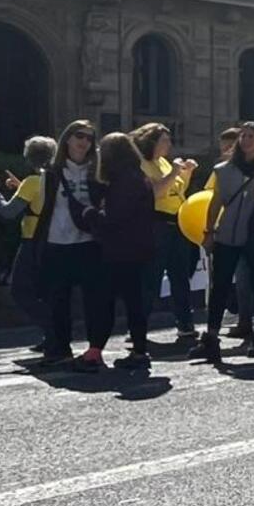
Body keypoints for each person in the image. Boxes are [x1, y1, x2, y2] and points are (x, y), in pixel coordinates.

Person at [71, 131, 159, 370]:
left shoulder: (124, 181)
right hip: (137, 249)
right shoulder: (137, 176)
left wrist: (89, 213)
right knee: (133, 302)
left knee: (106, 301)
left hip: (120, 251)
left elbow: (115, 218)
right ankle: (138, 352)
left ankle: (96, 351)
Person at [197, 124, 254, 363]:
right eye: (242, 136)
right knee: (220, 285)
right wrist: (209, 230)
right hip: (227, 236)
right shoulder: (224, 169)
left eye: (251, 136)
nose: (244, 140)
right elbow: (216, 202)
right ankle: (211, 335)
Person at [29, 121, 103, 368]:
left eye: (89, 138)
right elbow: (45, 208)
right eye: (79, 136)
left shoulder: (97, 171)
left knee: (93, 300)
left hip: (88, 244)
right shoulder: (52, 172)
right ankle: (59, 349)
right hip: (57, 242)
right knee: (58, 300)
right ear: (67, 139)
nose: (84, 142)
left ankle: (94, 349)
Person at [132, 123, 199, 342]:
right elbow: (157, 192)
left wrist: (186, 174)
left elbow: (176, 191)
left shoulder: (162, 162)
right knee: (151, 276)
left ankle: (185, 324)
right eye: (164, 140)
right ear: (151, 142)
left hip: (176, 223)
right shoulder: (143, 164)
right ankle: (139, 326)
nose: (169, 144)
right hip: (156, 224)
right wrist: (174, 171)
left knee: (180, 275)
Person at [0, 135, 56, 323]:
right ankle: (53, 335)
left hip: (32, 242)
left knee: (19, 291)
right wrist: (19, 187)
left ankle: (50, 329)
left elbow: (8, 212)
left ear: (28, 157)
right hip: (54, 241)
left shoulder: (31, 182)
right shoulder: (52, 179)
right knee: (46, 290)